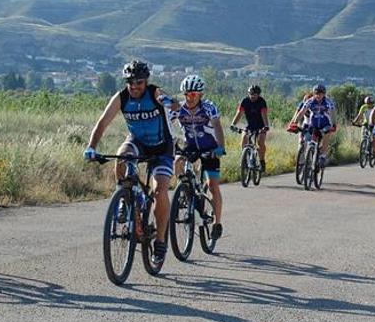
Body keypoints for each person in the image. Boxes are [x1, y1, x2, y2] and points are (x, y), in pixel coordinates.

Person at [84, 60, 179, 266]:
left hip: (162, 147)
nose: (135, 86)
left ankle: (161, 241)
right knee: (121, 157)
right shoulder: (121, 97)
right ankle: (124, 197)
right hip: (138, 142)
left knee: (160, 191)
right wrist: (91, 146)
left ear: (146, 82)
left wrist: (168, 101)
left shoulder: (154, 93)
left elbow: (170, 102)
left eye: (139, 82)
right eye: (131, 82)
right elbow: (102, 122)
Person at [174, 75, 226, 239]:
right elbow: (167, 124)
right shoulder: (180, 109)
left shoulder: (209, 107)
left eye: (193, 95)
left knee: (212, 186)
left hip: (210, 148)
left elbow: (217, 126)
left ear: (200, 95)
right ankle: (184, 192)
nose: (189, 98)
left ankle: (217, 222)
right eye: (187, 94)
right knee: (177, 162)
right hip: (190, 147)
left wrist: (220, 147)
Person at [289, 84, 336, 167]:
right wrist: (295, 122)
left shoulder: (328, 101)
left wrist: (333, 124)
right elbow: (301, 112)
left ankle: (323, 155)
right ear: (314, 93)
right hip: (313, 124)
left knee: (327, 133)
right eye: (316, 93)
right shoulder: (310, 101)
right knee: (311, 141)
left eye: (320, 94)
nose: (318, 95)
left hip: (325, 123)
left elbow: (332, 112)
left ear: (324, 94)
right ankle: (311, 155)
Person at [230, 84, 270, 172]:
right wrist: (233, 124)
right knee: (244, 138)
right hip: (250, 125)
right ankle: (244, 159)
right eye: (250, 94)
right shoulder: (245, 101)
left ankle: (262, 161)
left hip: (261, 125)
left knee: (260, 142)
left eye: (254, 94)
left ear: (258, 95)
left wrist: (266, 126)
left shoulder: (261, 101)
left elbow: (264, 115)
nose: (252, 96)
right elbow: (239, 113)